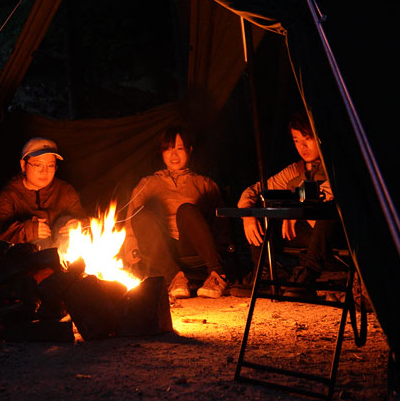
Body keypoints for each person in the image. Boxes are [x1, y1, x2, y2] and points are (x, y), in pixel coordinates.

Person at [236, 110, 343, 297]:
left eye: (307, 139)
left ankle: (307, 275)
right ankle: (267, 273)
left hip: (332, 235)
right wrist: (247, 215)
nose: (302, 147)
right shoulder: (295, 170)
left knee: (330, 210)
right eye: (296, 140)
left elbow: (324, 192)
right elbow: (255, 190)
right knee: (259, 210)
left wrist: (294, 207)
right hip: (301, 233)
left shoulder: (335, 166)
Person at [123, 126, 237, 299]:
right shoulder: (147, 184)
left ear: (190, 150)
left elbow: (220, 224)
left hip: (192, 249)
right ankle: (176, 278)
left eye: (179, 148)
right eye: (168, 149)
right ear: (162, 153)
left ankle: (217, 276)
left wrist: (225, 249)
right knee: (140, 214)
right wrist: (131, 250)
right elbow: (131, 223)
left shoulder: (204, 184)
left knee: (186, 210)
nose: (173, 155)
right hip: (160, 251)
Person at [0, 137, 86, 252]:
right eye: (38, 165)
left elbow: (86, 221)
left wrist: (79, 224)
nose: (44, 171)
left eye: (50, 165)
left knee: (66, 222)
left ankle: (66, 267)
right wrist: (29, 230)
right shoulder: (10, 194)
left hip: (65, 250)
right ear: (23, 165)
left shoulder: (65, 190)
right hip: (31, 258)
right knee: (36, 236)